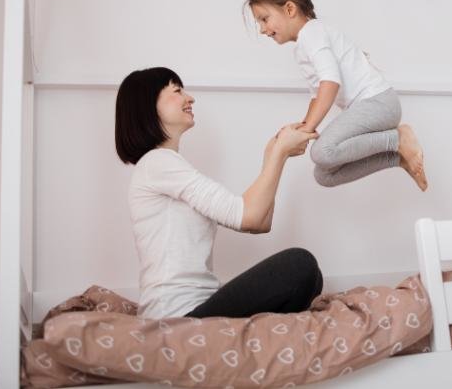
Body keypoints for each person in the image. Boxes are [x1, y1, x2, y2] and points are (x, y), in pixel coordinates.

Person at [115, 66, 322, 319]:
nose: (190, 98)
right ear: (148, 106)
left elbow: (261, 223)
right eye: (177, 90)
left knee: (311, 279)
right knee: (299, 265)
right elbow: (250, 217)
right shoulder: (158, 163)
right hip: (175, 315)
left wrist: (273, 156)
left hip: (199, 307)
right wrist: (279, 154)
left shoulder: (165, 165)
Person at [246, 0, 428, 191]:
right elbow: (317, 95)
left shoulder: (312, 33)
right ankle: (398, 158)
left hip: (378, 103)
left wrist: (310, 127)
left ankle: (399, 138)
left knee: (321, 152)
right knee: (324, 174)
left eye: (264, 19)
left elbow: (330, 83)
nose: (263, 29)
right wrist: (304, 128)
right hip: (372, 107)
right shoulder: (303, 45)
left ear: (290, 9)